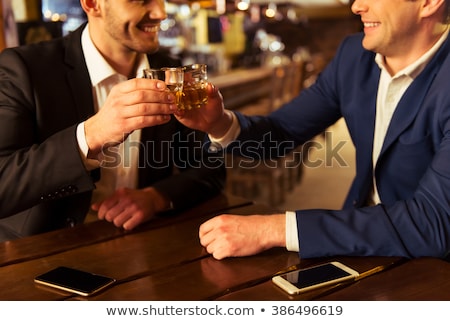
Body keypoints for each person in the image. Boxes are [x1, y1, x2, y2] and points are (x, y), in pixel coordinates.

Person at [175, 0, 450, 260]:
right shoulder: (354, 56)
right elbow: (282, 131)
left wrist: (275, 229)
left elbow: (433, 223)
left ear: (428, 3)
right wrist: (220, 123)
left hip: (431, 268)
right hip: (358, 242)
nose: (357, 6)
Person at [0, 0, 225, 242]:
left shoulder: (171, 73)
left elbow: (211, 169)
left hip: (141, 243)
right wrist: (90, 136)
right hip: (39, 252)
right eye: (142, 1)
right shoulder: (23, 69)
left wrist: (155, 197)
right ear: (92, 4)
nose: (160, 13)